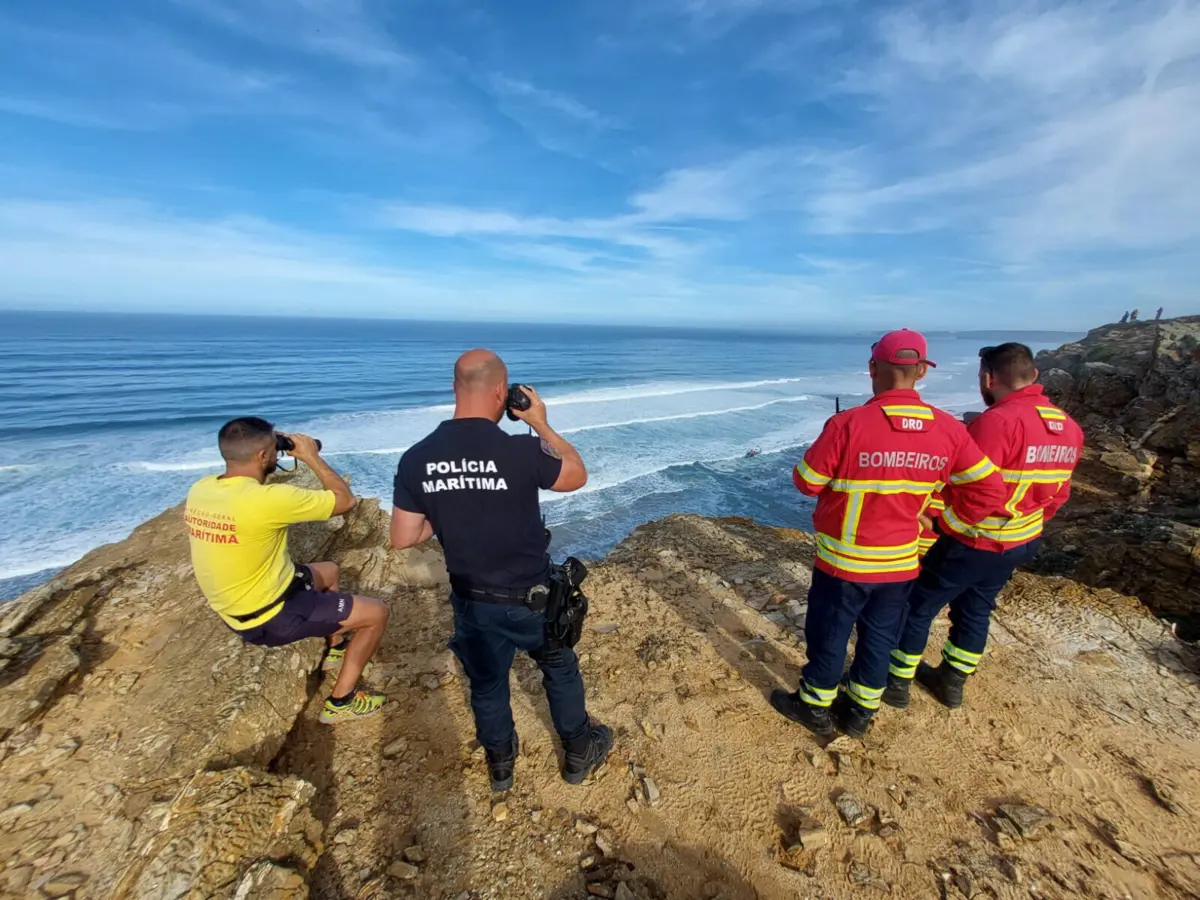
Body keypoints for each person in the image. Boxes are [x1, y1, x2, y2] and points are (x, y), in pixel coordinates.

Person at [390, 350, 612, 791]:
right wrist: (540, 422)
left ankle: (501, 764)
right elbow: (576, 475)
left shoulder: (417, 458)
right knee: (558, 666)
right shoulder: (520, 448)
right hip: (531, 598)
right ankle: (576, 752)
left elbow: (404, 536)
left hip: (473, 601)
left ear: (455, 388)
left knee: (487, 685)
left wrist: (452, 508)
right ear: (500, 392)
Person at [772, 330, 1008, 739]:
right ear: (920, 372)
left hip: (844, 562)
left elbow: (807, 481)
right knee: (880, 636)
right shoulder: (949, 429)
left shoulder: (848, 424)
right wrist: (949, 524)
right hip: (901, 562)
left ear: (873, 369)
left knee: (830, 633)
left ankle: (814, 705)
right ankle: (861, 712)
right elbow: (990, 489)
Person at [884, 343, 1083, 711]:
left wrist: (945, 524)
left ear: (988, 379)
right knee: (976, 608)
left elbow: (970, 485)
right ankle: (952, 682)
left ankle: (896, 682)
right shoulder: (1069, 428)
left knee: (917, 606)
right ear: (1034, 376)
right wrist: (1025, 523)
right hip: (1021, 541)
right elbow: (1058, 495)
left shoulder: (998, 422)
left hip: (976, 540)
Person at [186, 417, 391, 723]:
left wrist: (266, 445)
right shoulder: (269, 500)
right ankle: (341, 701)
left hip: (234, 609)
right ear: (263, 456)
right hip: (272, 616)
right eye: (272, 450)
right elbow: (345, 501)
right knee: (377, 613)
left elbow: (248, 492)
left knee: (330, 571)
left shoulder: (201, 489)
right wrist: (310, 456)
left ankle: (336, 647)